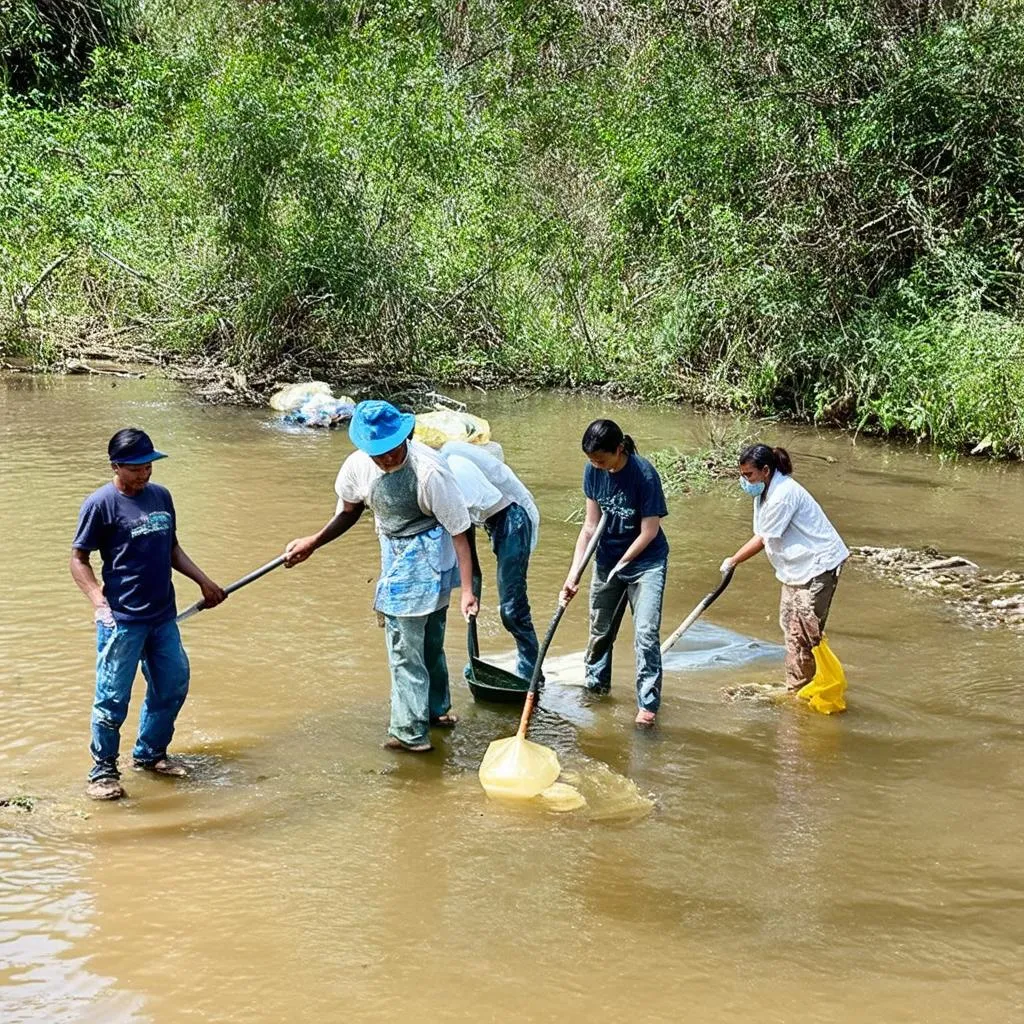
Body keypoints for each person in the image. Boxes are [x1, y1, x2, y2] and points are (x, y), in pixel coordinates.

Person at [284, 401, 479, 752]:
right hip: (394, 550)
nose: (387, 460)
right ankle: (435, 712)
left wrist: (468, 589)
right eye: (378, 454)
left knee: (407, 647)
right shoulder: (358, 467)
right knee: (422, 641)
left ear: (406, 437)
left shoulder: (430, 473)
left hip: (432, 553)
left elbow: (460, 531)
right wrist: (313, 542)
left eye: (392, 451)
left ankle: (410, 732)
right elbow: (348, 511)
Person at [70, 429, 226, 801]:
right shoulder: (100, 504)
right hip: (121, 620)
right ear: (116, 466)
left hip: (162, 616)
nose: (144, 474)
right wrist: (97, 599)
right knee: (112, 698)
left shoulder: (161, 497)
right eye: (136, 467)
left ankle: (151, 755)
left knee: (173, 684)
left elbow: (172, 548)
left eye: (148, 466)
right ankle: (103, 772)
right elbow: (79, 559)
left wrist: (205, 582)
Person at [560, 419, 669, 726]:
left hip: (646, 562)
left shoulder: (644, 474)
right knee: (599, 630)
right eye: (592, 461)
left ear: (619, 450)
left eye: (602, 460)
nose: (597, 465)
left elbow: (650, 530)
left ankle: (648, 704)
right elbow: (590, 526)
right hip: (607, 560)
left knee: (646, 633)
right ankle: (596, 689)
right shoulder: (593, 471)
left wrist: (625, 562)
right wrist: (574, 575)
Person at [720, 444, 849, 691]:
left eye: (749, 475)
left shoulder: (783, 494)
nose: (745, 481)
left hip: (817, 568)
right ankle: (797, 686)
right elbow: (761, 531)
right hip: (795, 570)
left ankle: (800, 691)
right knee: (790, 629)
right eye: (742, 474)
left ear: (766, 470)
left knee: (803, 635)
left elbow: (763, 538)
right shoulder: (764, 493)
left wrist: (733, 560)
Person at [439, 440, 541, 680]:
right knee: (470, 605)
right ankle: (474, 660)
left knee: (512, 609)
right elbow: (469, 560)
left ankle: (532, 673)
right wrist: (470, 595)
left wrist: (469, 590)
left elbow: (459, 535)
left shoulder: (452, 474)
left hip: (514, 521)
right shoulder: (445, 478)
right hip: (493, 523)